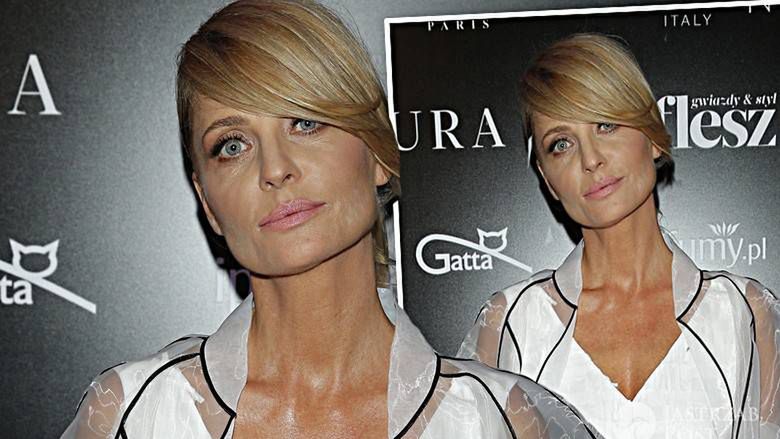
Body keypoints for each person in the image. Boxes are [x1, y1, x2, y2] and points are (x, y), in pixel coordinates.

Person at [61, 2, 599, 437]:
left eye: (304, 122)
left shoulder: (496, 418)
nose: (275, 168)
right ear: (207, 203)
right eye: (232, 144)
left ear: (378, 152)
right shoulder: (135, 413)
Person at [458, 33, 780, 438]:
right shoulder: (511, 324)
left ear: (652, 135)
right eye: (561, 144)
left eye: (606, 124)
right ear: (547, 178)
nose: (591, 159)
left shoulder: (744, 313)